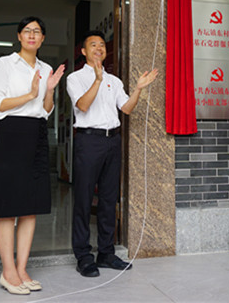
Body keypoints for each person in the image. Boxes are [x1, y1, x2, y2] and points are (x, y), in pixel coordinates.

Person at [66, 31, 158, 277]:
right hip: (88, 141)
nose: (99, 48)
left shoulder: (114, 81)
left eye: (101, 45)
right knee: (84, 200)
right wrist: (96, 80)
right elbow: (83, 106)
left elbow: (126, 108)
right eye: (92, 45)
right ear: (83, 52)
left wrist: (138, 89)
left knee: (108, 199)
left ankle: (106, 252)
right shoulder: (75, 79)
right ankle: (84, 256)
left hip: (112, 141)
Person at [0, 16, 65, 295]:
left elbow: (45, 110)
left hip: (38, 133)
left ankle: (22, 268)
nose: (32, 35)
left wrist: (49, 91)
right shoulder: (5, 64)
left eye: (38, 32)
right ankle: (7, 272)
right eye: (27, 31)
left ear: (43, 39)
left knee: (31, 207)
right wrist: (29, 93)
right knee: (9, 207)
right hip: (12, 133)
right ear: (19, 36)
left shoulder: (46, 68)